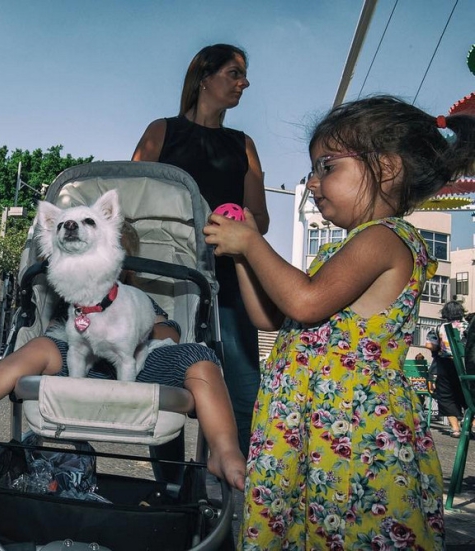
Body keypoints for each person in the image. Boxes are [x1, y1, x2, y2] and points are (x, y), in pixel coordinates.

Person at [204, 95, 475, 548]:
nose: (312, 183)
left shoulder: (385, 240)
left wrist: (253, 246)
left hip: (353, 433)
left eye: (326, 166)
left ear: (386, 167)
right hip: (314, 427)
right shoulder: (343, 249)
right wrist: (241, 257)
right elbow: (270, 314)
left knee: (347, 530)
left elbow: (306, 302)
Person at [0, 223, 246, 491]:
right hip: (77, 363)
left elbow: (167, 331)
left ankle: (223, 447)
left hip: (141, 365)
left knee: (200, 357)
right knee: (41, 346)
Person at [132, 44, 269, 455]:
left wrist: (237, 227)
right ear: (204, 77)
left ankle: (237, 499)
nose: (244, 82)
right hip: (166, 278)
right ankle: (171, 496)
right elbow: (132, 208)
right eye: (234, 73)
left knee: (244, 393)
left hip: (228, 279)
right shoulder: (162, 131)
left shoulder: (243, 144)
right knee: (165, 385)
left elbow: (260, 219)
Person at [426, 301, 468, 438]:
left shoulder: (439, 328)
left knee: (446, 396)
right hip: (466, 366)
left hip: (445, 365)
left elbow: (429, 345)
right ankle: (473, 423)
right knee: (469, 394)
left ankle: (455, 428)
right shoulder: (468, 326)